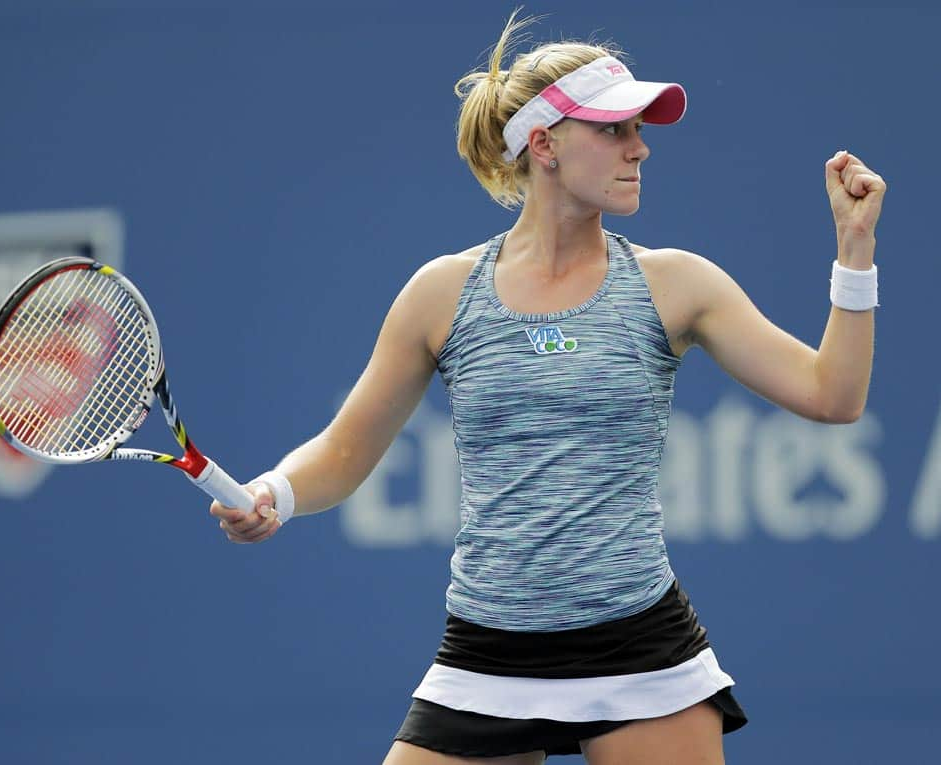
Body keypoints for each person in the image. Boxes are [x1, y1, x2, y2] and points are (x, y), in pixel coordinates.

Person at [208, 11, 885, 765]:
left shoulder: (678, 284)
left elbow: (835, 395)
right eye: (615, 130)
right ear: (544, 144)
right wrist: (278, 489)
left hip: (641, 649)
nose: (640, 147)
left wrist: (854, 254)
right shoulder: (441, 293)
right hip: (485, 651)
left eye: (639, 128)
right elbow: (344, 448)